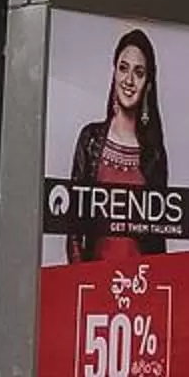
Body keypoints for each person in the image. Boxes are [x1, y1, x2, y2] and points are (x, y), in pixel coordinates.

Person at [65, 30, 169, 263]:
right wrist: (80, 279)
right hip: (94, 286)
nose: (129, 81)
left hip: (139, 287)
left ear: (148, 85)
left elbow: (160, 237)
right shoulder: (90, 139)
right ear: (113, 73)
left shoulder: (154, 154)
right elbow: (73, 228)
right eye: (123, 68)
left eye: (139, 73)